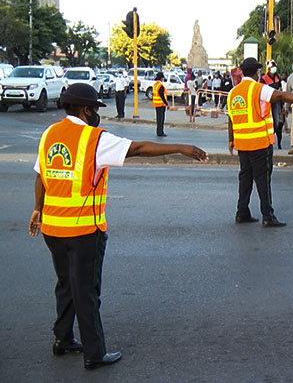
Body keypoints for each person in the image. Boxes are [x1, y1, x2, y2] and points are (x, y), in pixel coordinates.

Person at [28, 83, 207, 370]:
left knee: (65, 285)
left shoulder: (50, 134)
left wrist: (37, 209)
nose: (95, 114)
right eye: (94, 109)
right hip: (83, 231)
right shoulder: (94, 139)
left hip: (52, 229)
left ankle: (63, 338)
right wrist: (180, 147)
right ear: (85, 109)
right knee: (86, 292)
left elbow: (40, 176)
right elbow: (137, 148)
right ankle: (94, 353)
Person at [228, 58, 293, 226]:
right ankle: (268, 216)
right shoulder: (258, 89)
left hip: (242, 145)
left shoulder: (233, 92)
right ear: (256, 73)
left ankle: (242, 212)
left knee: (245, 179)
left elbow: (231, 119)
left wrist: (230, 140)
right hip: (259, 144)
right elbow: (282, 95)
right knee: (263, 180)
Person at [260, 59, 285, 149]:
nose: (274, 68)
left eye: (274, 66)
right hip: (269, 103)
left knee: (279, 123)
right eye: (272, 66)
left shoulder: (278, 76)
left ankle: (279, 143)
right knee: (274, 123)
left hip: (278, 102)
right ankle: (270, 141)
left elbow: (281, 88)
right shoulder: (264, 78)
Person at [152, 72, 168, 137]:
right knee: (161, 119)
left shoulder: (155, 85)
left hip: (156, 104)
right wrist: (166, 103)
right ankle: (160, 132)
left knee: (158, 119)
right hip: (161, 104)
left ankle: (158, 131)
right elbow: (162, 95)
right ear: (161, 78)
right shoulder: (160, 85)